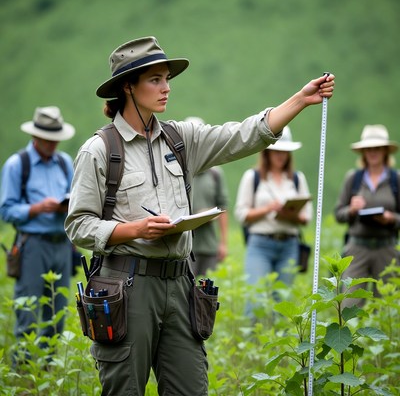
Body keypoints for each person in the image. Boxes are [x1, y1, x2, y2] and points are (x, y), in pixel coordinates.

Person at [64, 35, 334, 395]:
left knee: (191, 389)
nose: (166, 88)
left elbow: (242, 135)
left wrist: (301, 100)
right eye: (155, 80)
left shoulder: (181, 139)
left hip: (181, 285)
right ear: (128, 86)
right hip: (126, 288)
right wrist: (135, 230)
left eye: (167, 79)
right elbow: (78, 225)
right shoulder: (99, 150)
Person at [0, 106, 75, 361]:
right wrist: (35, 209)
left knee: (57, 313)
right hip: (32, 245)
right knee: (28, 311)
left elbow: (76, 199)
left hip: (62, 245)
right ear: (36, 137)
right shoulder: (16, 165)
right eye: (48, 139)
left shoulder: (65, 163)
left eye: (56, 139)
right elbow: (6, 210)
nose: (53, 144)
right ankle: (23, 374)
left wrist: (66, 206)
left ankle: (48, 370)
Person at [235, 126, 312, 314]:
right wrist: (268, 209)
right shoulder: (252, 177)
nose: (280, 156)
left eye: (284, 152)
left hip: (289, 245)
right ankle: (253, 341)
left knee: (282, 303)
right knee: (255, 301)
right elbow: (241, 214)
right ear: (267, 153)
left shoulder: (296, 179)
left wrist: (289, 214)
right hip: (260, 244)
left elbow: (306, 217)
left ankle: (280, 342)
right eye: (276, 151)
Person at [334, 124, 400, 308]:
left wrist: (391, 218)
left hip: (387, 249)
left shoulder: (396, 180)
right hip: (357, 249)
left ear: (385, 151)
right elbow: (339, 213)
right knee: (349, 305)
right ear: (363, 152)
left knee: (388, 307)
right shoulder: (353, 179)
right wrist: (352, 210)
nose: (373, 152)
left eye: (377, 148)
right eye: (369, 148)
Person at [185, 116, 229, 277]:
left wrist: (223, 243)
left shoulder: (215, 174)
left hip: (209, 246)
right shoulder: (179, 172)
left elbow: (223, 207)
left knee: (205, 294)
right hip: (186, 246)